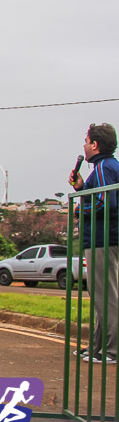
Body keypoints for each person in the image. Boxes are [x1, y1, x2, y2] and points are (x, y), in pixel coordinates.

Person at [71, 123, 119, 365]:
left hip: (103, 240)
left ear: (95, 145)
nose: (84, 145)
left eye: (86, 140)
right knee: (100, 296)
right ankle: (98, 346)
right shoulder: (106, 168)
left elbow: (104, 202)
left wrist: (81, 207)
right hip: (104, 239)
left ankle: (111, 351)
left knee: (106, 296)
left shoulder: (103, 168)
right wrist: (81, 187)